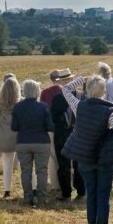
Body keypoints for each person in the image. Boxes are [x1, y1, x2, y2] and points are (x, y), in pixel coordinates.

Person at [61, 76, 113, 224]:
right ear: (104, 91)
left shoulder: (79, 106)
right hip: (104, 160)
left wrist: (80, 79)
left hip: (84, 157)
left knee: (91, 193)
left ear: (86, 90)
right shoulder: (109, 111)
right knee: (103, 194)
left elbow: (65, 90)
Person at [12, 79, 55, 206]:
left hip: (23, 141)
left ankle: (27, 197)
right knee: (42, 171)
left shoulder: (17, 107)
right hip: (41, 142)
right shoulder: (43, 106)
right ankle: (42, 199)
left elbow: (14, 127)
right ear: (37, 91)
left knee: (26, 171)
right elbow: (50, 126)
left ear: (24, 91)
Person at [50, 73, 84, 201]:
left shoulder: (57, 98)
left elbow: (52, 117)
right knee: (79, 163)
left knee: (63, 164)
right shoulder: (82, 96)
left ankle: (66, 193)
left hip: (62, 134)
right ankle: (81, 190)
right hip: (79, 133)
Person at [0, 76, 21, 199]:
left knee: (7, 163)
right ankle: (32, 188)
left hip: (5, 133)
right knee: (26, 164)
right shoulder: (21, 102)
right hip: (19, 134)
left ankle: (7, 190)